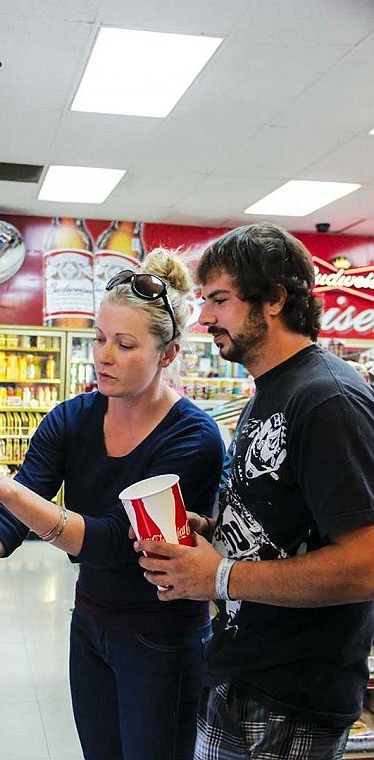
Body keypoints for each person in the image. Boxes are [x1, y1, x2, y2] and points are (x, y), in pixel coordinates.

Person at [0, 248, 225, 760]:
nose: (103, 356)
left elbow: (113, 541)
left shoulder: (194, 438)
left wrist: (3, 485)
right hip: (91, 627)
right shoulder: (72, 419)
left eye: (124, 344)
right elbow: (8, 519)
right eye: (98, 339)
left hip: (162, 642)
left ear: (168, 354)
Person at [135, 224, 374, 760]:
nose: (204, 318)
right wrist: (216, 534)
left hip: (293, 695)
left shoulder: (326, 399)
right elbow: (282, 525)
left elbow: (366, 563)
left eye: (219, 300)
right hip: (241, 668)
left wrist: (219, 575)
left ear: (274, 299)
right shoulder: (269, 392)